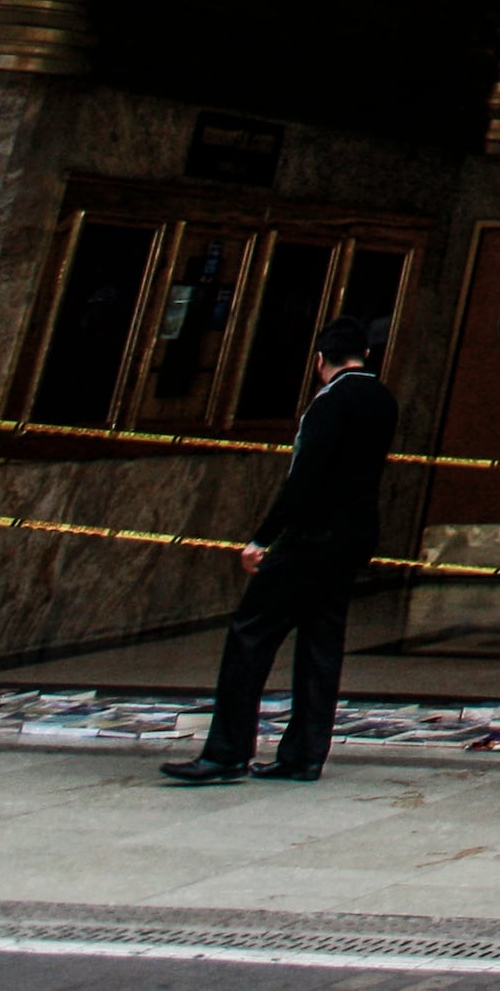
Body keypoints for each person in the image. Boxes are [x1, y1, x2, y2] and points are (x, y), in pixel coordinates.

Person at [161, 318, 396, 788]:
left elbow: (306, 477)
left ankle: (227, 751)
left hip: (311, 536)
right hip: (354, 535)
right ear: (365, 356)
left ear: (319, 361)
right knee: (320, 643)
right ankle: (305, 754)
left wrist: (263, 537)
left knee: (251, 634)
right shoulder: (383, 399)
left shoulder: (329, 402)